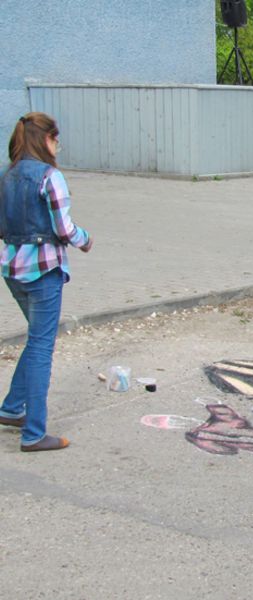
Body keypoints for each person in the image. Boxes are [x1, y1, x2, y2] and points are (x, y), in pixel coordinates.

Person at [0, 112, 92, 451]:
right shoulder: (50, 177)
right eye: (56, 139)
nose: (58, 146)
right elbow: (63, 228)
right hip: (43, 271)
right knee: (42, 346)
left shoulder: (6, 174)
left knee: (37, 338)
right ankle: (34, 433)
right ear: (46, 139)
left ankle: (12, 408)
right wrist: (85, 239)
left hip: (12, 269)